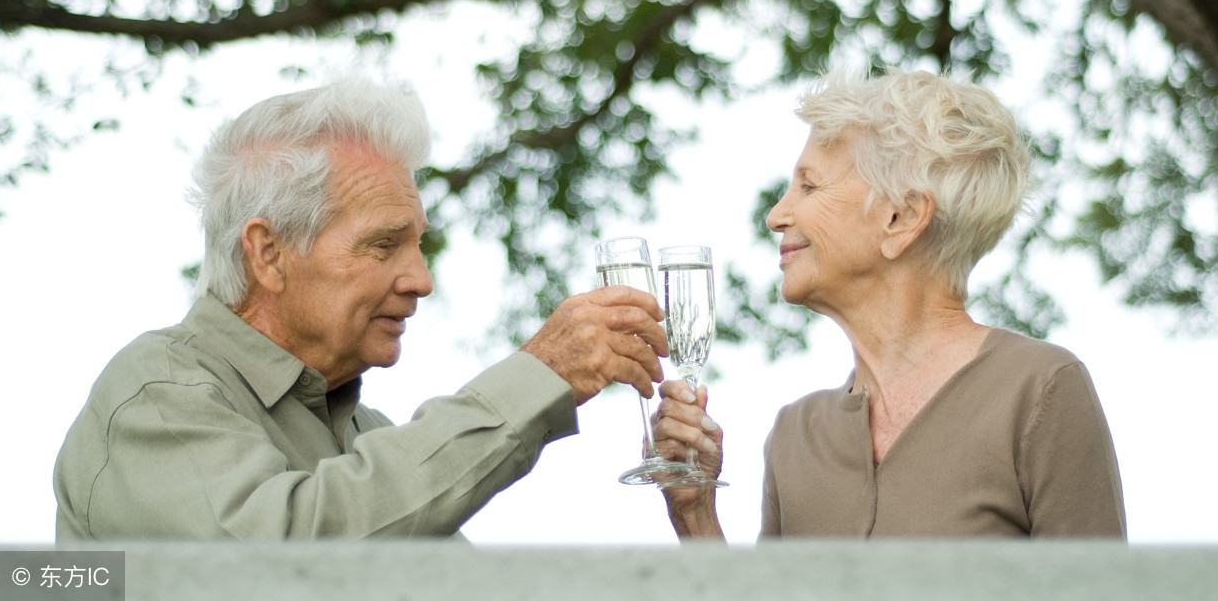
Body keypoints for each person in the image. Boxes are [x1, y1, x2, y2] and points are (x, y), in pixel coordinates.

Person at [54, 77, 667, 540]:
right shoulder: (158, 392)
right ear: (269, 254)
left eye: (418, 244)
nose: (421, 280)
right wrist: (538, 377)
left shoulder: (365, 433)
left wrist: (694, 518)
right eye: (383, 244)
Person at [654, 68, 1126, 538]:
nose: (776, 216)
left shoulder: (1040, 390)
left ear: (901, 217)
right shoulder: (795, 436)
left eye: (810, 186)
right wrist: (696, 514)